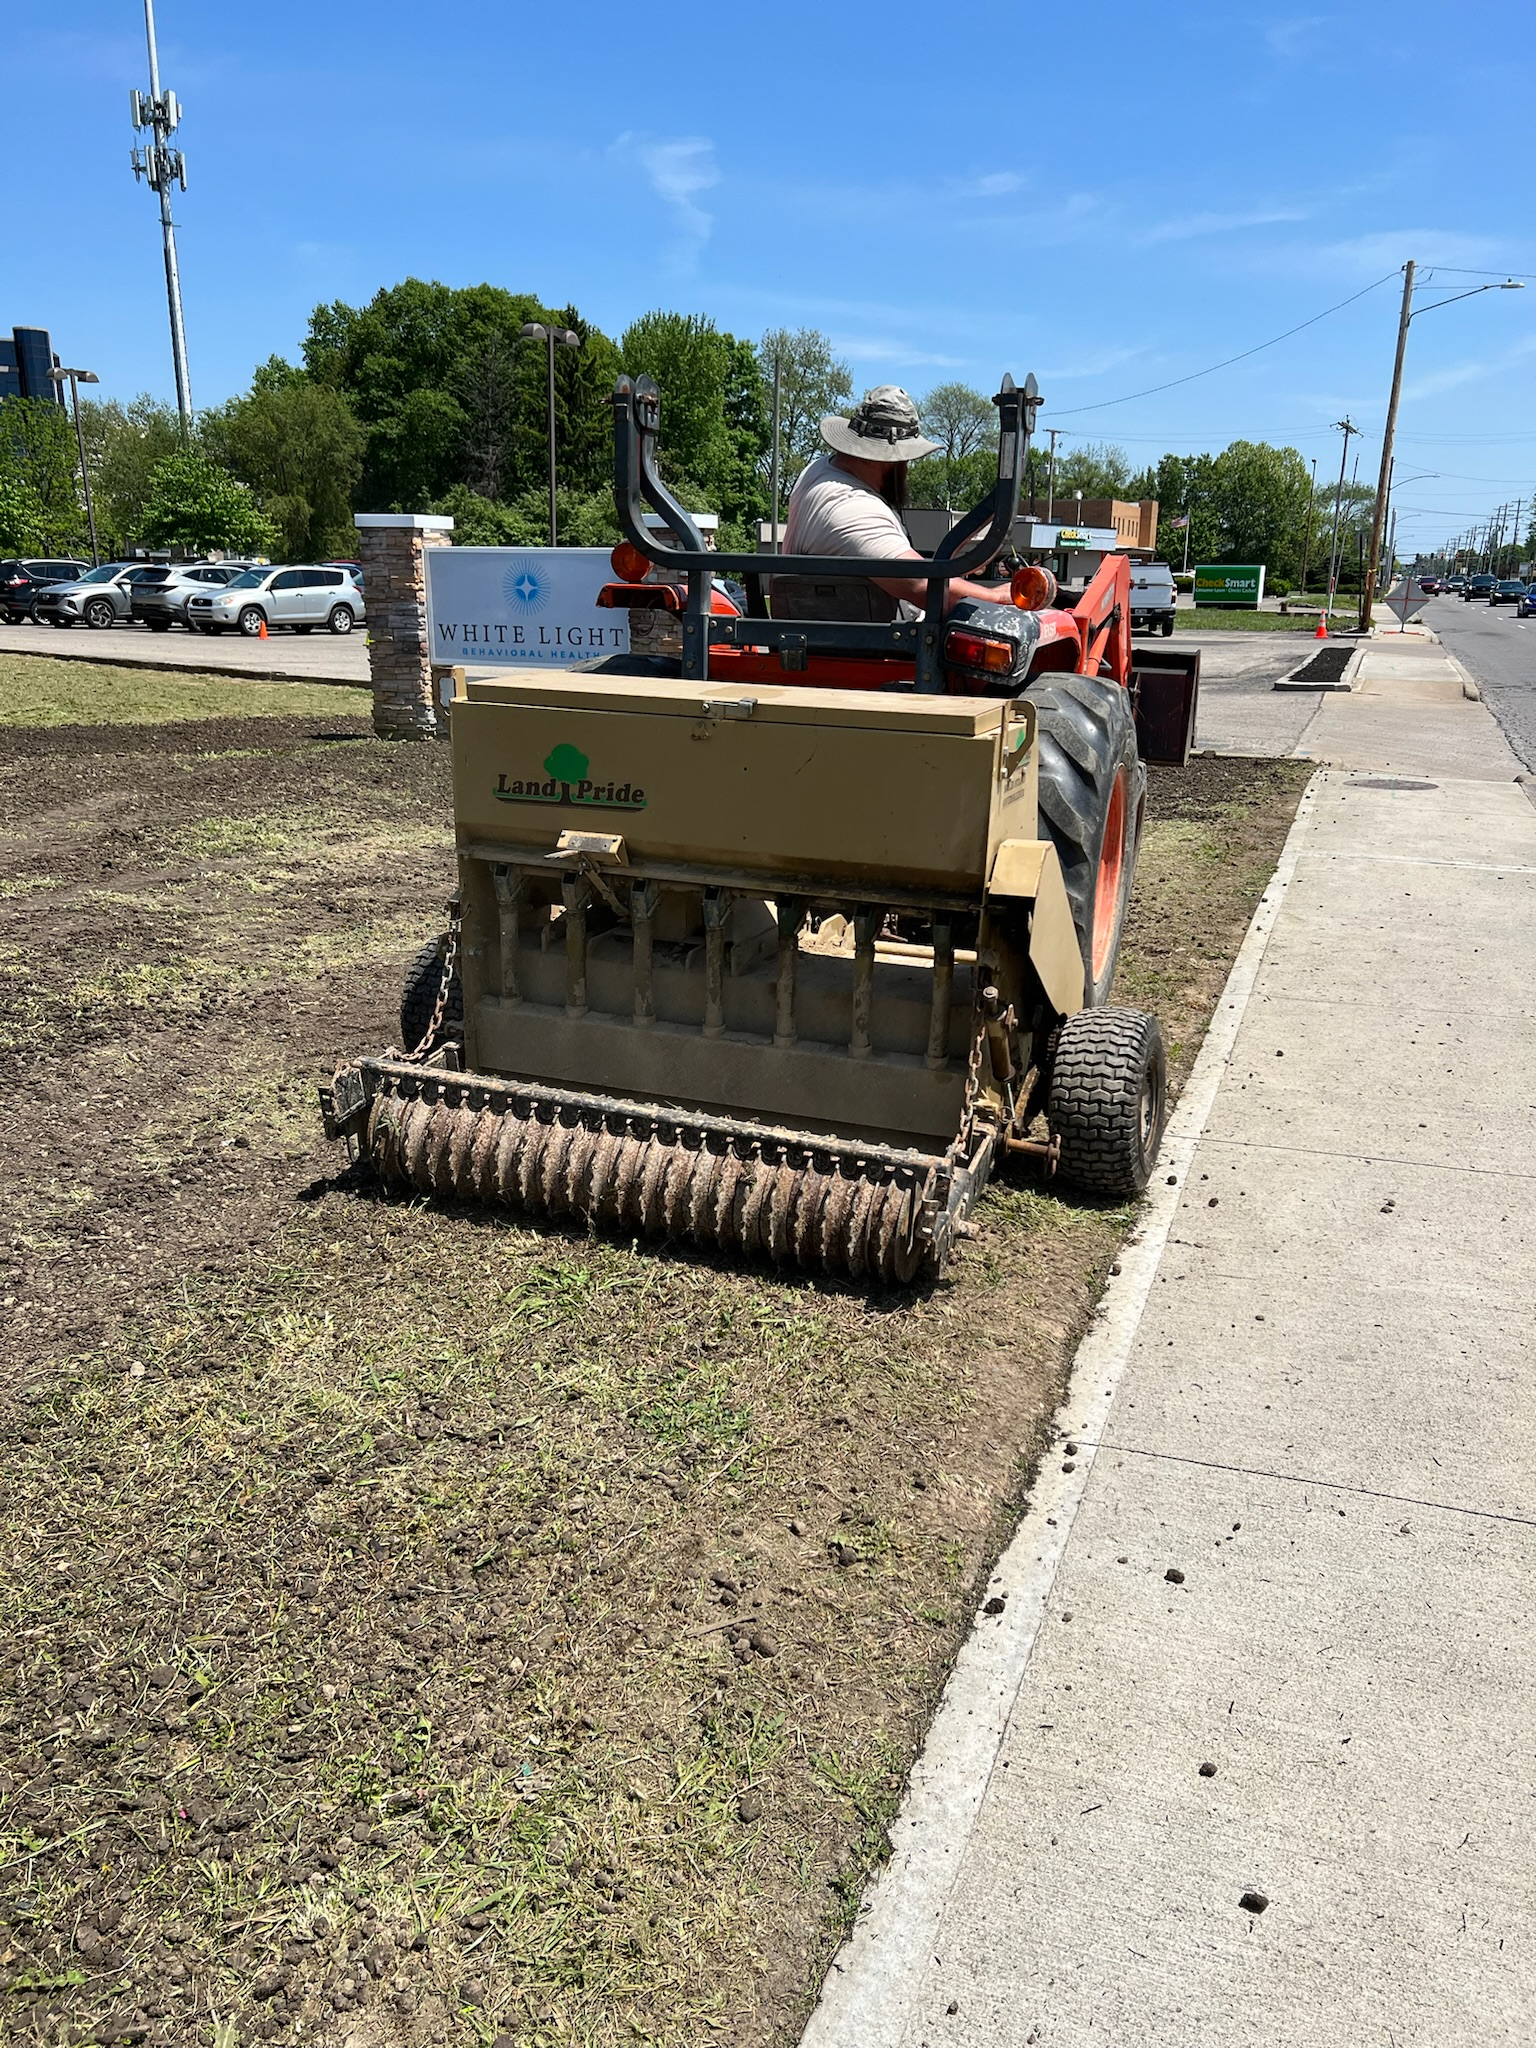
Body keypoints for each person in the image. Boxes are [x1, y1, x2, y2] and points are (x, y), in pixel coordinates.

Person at [781, 385, 1009, 612]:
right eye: (905, 460)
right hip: (871, 643)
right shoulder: (852, 508)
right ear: (889, 460)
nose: (906, 468)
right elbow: (921, 585)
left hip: (828, 631)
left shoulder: (817, 471)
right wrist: (997, 597)